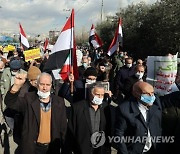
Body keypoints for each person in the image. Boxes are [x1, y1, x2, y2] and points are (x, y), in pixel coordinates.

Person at [4, 72, 67, 154]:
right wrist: (16, 86)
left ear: (51, 85)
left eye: (47, 85)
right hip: (32, 148)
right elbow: (10, 102)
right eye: (42, 84)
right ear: (37, 84)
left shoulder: (59, 102)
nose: (45, 88)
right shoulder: (28, 99)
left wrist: (65, 148)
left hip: (52, 148)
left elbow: (63, 128)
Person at [114, 81, 180, 154]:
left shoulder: (156, 102)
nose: (151, 96)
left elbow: (173, 98)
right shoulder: (124, 109)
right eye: (147, 94)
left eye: (152, 93)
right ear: (136, 93)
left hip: (153, 150)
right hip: (134, 150)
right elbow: (119, 134)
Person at [65, 82, 111, 154]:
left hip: (100, 148)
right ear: (90, 93)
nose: (100, 97)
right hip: (82, 148)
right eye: (97, 94)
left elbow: (108, 128)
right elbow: (71, 130)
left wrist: (108, 147)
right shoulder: (77, 107)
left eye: (102, 95)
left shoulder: (105, 107)